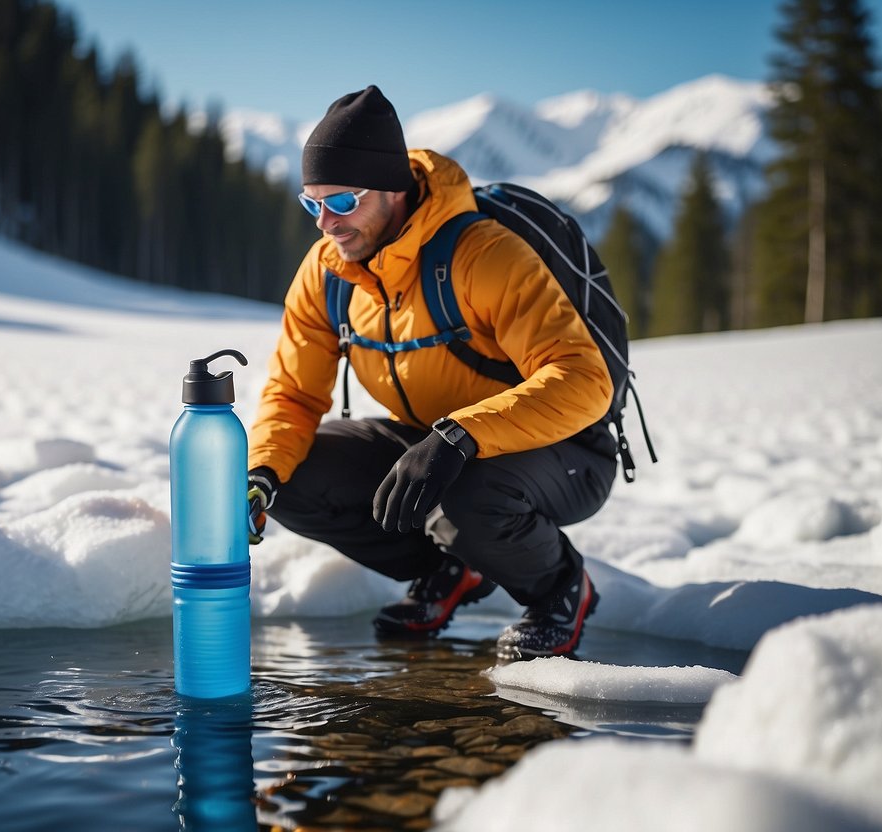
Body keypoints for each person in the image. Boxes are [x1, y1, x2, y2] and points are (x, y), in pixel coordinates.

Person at [245, 86, 616, 661]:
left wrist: (462, 436)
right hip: (438, 443)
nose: (325, 224)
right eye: (311, 203)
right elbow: (294, 392)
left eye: (341, 202)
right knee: (295, 477)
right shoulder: (328, 273)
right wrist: (262, 473)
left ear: (392, 190)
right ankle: (454, 569)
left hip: (564, 448)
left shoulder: (483, 256)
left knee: (463, 494)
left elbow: (584, 379)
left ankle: (558, 589)